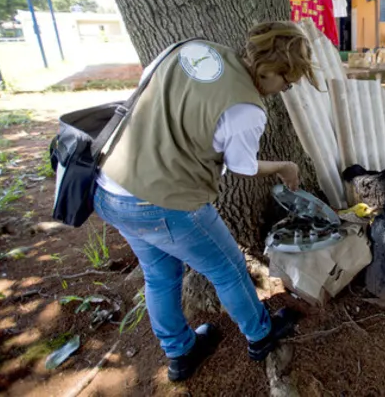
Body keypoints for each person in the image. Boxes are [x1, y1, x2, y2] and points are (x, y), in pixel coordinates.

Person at [94, 21, 316, 382]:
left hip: (111, 187)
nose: (284, 90)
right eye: (287, 82)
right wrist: (286, 167)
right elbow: (241, 165)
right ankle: (261, 336)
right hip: (166, 202)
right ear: (270, 70)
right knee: (227, 269)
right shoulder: (246, 109)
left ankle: (180, 353)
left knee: (159, 274)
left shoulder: (192, 49)